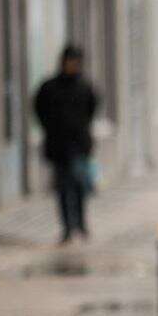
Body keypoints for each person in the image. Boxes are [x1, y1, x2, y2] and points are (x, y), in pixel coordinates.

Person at [33, 45, 100, 244]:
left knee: (79, 185)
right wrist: (50, 128)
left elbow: (92, 108)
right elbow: (39, 109)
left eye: (75, 62)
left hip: (79, 146)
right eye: (69, 61)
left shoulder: (84, 86)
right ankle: (67, 227)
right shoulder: (49, 87)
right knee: (63, 188)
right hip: (58, 147)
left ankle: (80, 223)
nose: (72, 65)